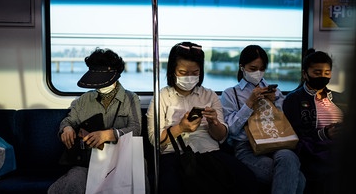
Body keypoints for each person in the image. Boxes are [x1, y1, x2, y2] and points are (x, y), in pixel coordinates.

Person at [146, 41, 258, 194]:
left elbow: (222, 136)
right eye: (183, 73)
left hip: (209, 152)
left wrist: (214, 122)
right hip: (174, 155)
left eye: (194, 73)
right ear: (172, 71)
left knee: (246, 180)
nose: (189, 77)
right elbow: (155, 140)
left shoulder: (209, 95)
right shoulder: (162, 97)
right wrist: (181, 128)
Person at [48, 48, 142, 194]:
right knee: (74, 179)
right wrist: (66, 128)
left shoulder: (131, 98)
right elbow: (69, 120)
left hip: (122, 161)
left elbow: (136, 129)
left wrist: (109, 135)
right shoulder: (84, 100)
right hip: (90, 163)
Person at [220, 44, 306, 194]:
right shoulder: (230, 94)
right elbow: (231, 130)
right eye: (253, 69)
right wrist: (249, 103)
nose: (258, 73)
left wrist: (273, 102)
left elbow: (283, 123)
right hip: (246, 148)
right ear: (242, 67)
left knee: (288, 156)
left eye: (262, 69)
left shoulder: (275, 92)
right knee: (299, 179)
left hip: (275, 142)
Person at [282, 49, 347, 194]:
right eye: (317, 73)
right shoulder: (294, 100)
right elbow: (295, 133)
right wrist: (324, 134)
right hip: (314, 153)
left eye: (327, 73)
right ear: (305, 74)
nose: (322, 77)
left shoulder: (339, 99)